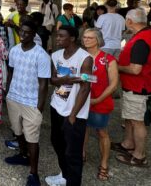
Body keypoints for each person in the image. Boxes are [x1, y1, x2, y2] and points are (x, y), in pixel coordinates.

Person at [110, 8, 151, 168]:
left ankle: (139, 155)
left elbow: (135, 69)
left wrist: (116, 66)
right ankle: (128, 143)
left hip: (139, 86)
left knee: (137, 121)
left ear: (129, 21)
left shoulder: (142, 40)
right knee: (129, 117)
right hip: (142, 84)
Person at [3, 20, 51, 186]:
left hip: (31, 102)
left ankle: (33, 173)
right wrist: (7, 93)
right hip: (14, 98)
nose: (22, 35)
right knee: (18, 131)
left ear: (34, 35)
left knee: (32, 139)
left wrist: (40, 108)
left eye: (27, 33)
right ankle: (22, 156)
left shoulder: (41, 55)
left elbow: (44, 84)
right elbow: (10, 72)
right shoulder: (14, 50)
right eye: (21, 32)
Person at [45, 26, 93, 186]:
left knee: (73, 153)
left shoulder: (85, 58)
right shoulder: (56, 55)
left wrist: (73, 114)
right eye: (57, 36)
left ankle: (73, 181)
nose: (57, 39)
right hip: (56, 106)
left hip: (74, 113)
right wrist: (65, 79)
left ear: (72, 38)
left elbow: (86, 87)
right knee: (57, 142)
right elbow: (52, 80)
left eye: (61, 36)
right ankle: (65, 175)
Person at [81, 28, 118, 182]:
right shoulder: (80, 56)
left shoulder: (108, 59)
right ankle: (81, 154)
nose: (86, 40)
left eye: (90, 37)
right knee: (83, 129)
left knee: (102, 132)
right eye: (84, 37)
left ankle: (104, 163)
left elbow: (113, 84)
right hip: (81, 101)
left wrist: (98, 99)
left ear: (98, 40)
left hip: (100, 102)